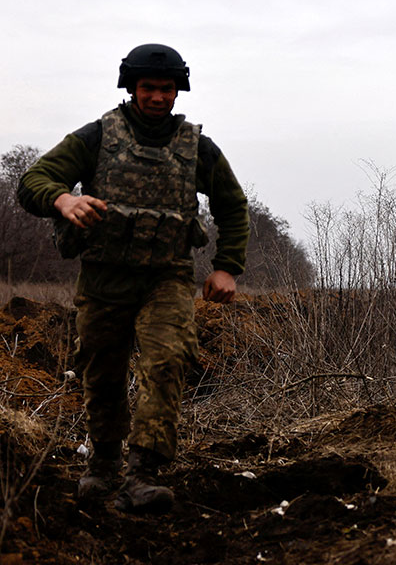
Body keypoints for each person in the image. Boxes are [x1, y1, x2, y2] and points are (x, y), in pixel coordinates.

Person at [17, 44, 249, 514]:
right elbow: (34, 180)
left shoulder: (197, 147)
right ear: (131, 88)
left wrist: (227, 266)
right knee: (101, 375)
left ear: (178, 90)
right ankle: (103, 464)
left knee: (166, 363)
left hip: (167, 279)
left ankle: (143, 473)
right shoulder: (97, 138)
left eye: (167, 89)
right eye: (149, 88)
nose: (158, 97)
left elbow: (232, 206)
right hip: (104, 281)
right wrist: (62, 200)